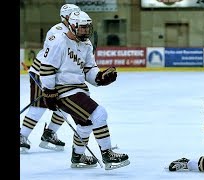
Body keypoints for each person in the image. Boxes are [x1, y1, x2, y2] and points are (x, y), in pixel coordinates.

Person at [38, 10, 130, 170]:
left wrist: (100, 78)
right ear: (72, 26)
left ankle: (78, 156)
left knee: (86, 124)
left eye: (88, 28)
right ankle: (107, 153)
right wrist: (49, 92)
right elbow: (46, 68)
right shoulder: (59, 42)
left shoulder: (86, 45)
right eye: (82, 28)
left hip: (79, 90)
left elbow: (89, 70)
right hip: (63, 91)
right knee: (99, 114)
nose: (86, 31)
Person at [20, 4, 81, 153]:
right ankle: (22, 136)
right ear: (65, 17)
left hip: (60, 76)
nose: (77, 18)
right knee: (38, 108)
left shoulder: (76, 31)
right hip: (43, 73)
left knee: (66, 105)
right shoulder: (57, 31)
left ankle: (49, 133)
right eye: (74, 15)